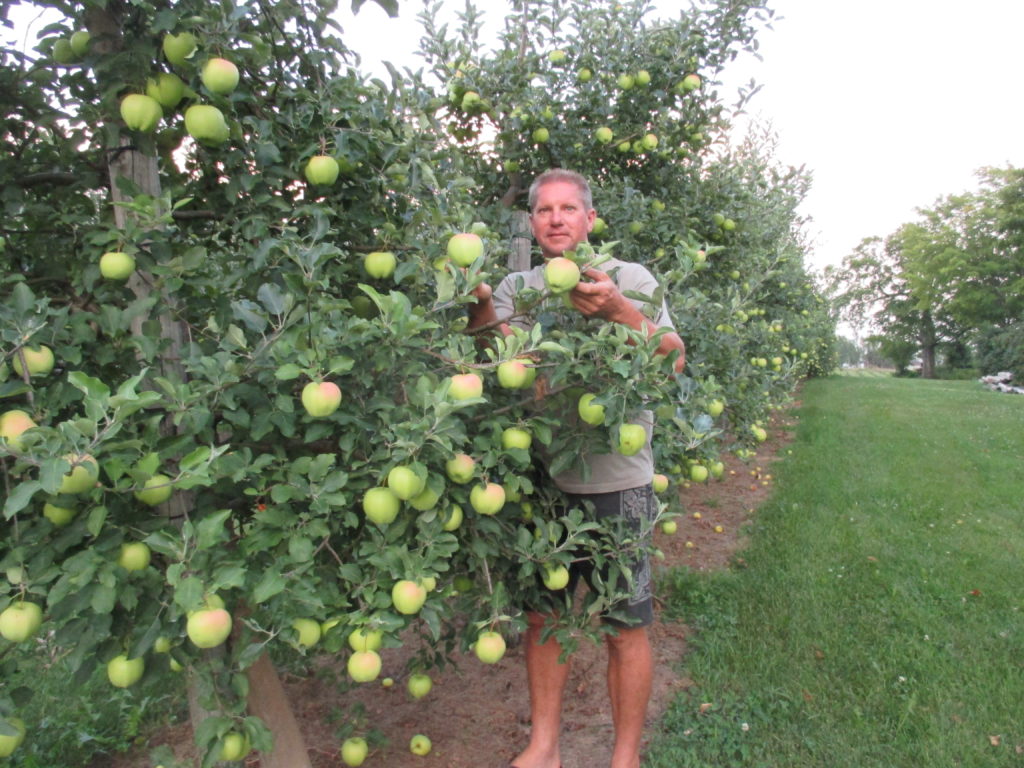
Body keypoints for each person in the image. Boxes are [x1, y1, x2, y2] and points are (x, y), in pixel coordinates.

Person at [466, 169, 685, 768]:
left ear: (590, 220)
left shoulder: (629, 279)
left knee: (625, 625)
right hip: (545, 479)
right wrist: (483, 308)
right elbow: (500, 362)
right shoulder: (520, 285)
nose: (557, 218)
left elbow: (673, 361)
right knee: (544, 617)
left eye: (569, 208)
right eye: (545, 210)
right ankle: (545, 747)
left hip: (619, 482)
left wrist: (617, 310)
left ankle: (625, 757)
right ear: (532, 222)